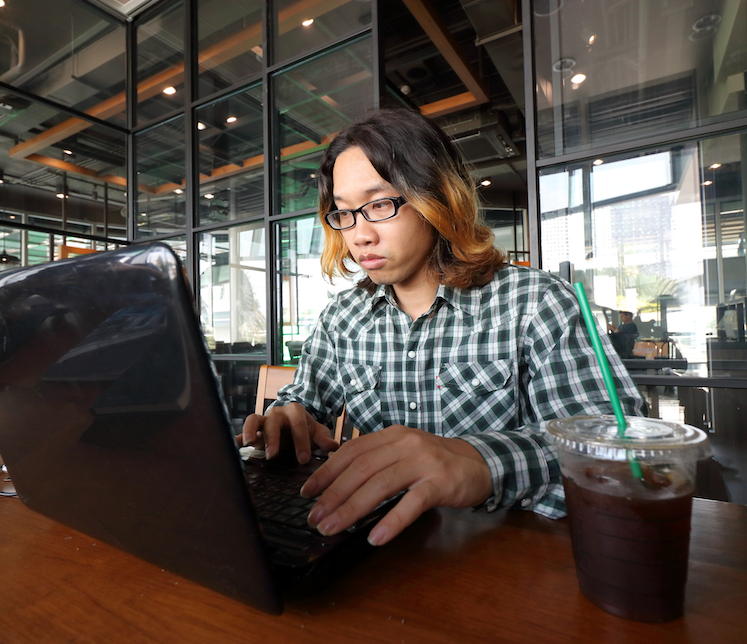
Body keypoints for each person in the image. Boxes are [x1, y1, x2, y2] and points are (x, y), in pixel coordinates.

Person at [239, 108, 645, 547]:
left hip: (511, 558)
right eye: (344, 213)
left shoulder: (537, 303)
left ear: (437, 198)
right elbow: (304, 402)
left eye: (378, 205)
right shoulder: (342, 318)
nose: (359, 235)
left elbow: (619, 450)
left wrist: (479, 461)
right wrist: (289, 416)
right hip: (382, 554)